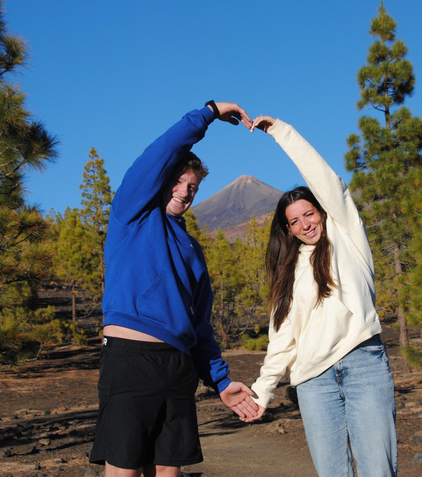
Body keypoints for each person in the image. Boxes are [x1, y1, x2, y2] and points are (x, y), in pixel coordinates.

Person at [89, 101, 260, 477]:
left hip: (178, 365)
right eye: (178, 182)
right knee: (125, 471)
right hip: (131, 359)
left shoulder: (193, 252)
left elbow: (200, 328)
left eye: (193, 187)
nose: (184, 192)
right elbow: (160, 153)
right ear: (162, 181)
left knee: (168, 473)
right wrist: (209, 112)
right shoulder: (132, 214)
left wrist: (221, 382)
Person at [247, 115, 397, 477]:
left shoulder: (347, 236)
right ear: (287, 229)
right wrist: (261, 392)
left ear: (322, 211)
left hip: (363, 364)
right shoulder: (288, 273)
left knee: (378, 469)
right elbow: (282, 339)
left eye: (309, 213)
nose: (305, 224)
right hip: (313, 382)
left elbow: (327, 181)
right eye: (294, 221)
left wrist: (281, 132)